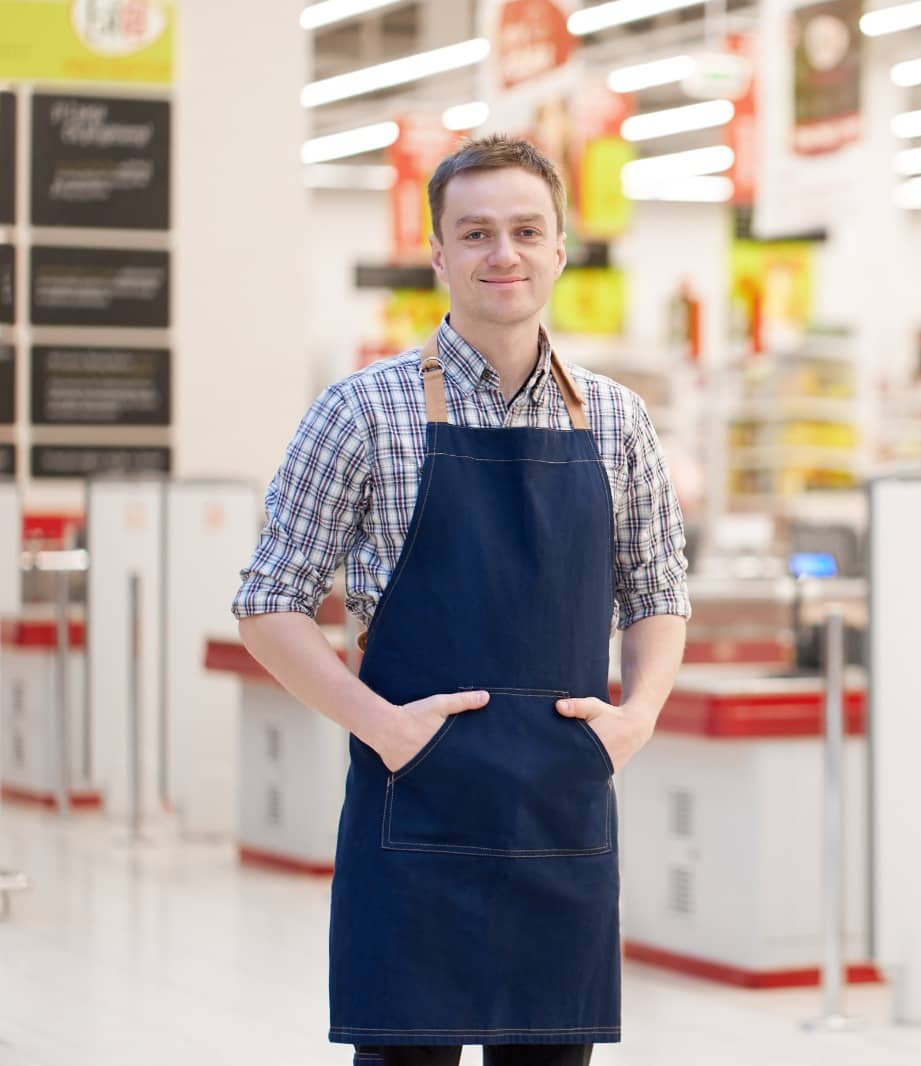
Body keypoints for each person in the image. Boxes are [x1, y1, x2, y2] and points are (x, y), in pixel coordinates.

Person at [232, 135, 690, 1066]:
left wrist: (637, 717)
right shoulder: (361, 411)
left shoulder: (617, 419)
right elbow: (268, 603)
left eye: (526, 230)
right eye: (474, 233)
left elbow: (658, 589)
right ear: (437, 253)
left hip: (561, 809)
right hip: (416, 808)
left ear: (561, 248)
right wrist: (382, 727)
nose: (502, 254)